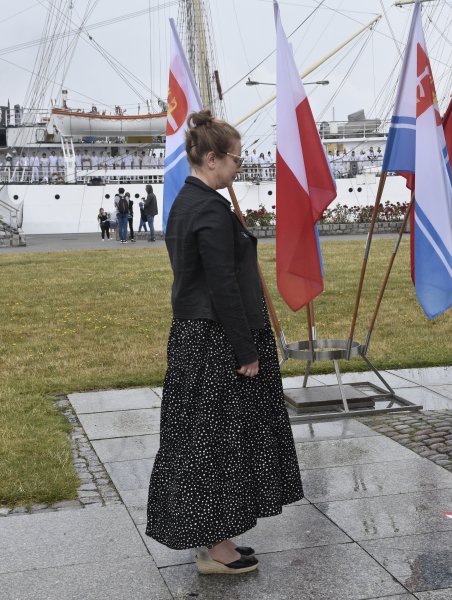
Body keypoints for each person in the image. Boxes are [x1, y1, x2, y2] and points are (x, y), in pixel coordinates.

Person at [145, 110, 302, 575]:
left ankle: (219, 539)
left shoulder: (186, 202)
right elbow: (224, 287)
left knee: (206, 439)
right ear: (211, 158)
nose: (239, 168)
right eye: (235, 159)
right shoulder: (209, 210)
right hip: (217, 339)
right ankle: (217, 550)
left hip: (196, 337)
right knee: (219, 442)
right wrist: (246, 351)